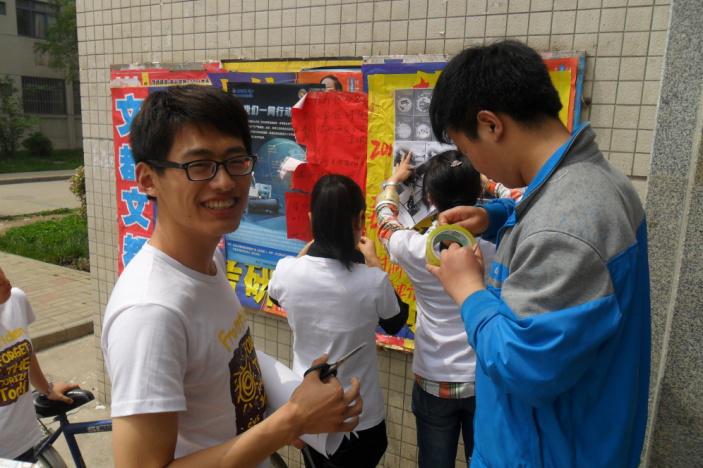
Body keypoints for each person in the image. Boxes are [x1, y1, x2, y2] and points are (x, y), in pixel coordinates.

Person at [101, 85, 362, 468]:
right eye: (199, 165)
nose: (225, 182)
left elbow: (222, 359)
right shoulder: (150, 313)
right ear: (147, 180)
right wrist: (292, 420)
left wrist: (296, 400)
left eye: (236, 160)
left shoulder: (209, 260)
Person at [426, 40, 651, 468]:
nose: (475, 165)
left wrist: (468, 291)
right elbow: (545, 223)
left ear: (491, 125)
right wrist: (494, 216)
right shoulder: (592, 183)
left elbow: (524, 366)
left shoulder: (566, 224)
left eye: (467, 150)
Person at [268, 174, 408, 468]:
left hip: (309, 411)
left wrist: (312, 245)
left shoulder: (287, 271)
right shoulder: (372, 281)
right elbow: (396, 321)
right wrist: (374, 262)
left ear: (311, 219)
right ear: (359, 220)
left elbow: (276, 296)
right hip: (361, 416)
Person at [375, 150, 493, 467]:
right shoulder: (497, 245)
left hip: (433, 377)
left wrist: (394, 181)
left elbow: (384, 219)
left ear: (429, 198)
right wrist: (487, 182)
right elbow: (521, 199)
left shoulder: (414, 248)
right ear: (478, 193)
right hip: (484, 379)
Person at [0, 266, 78, 462]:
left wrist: (46, 389)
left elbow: (25, 351)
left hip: (23, 437)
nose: (4, 279)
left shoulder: (16, 299)